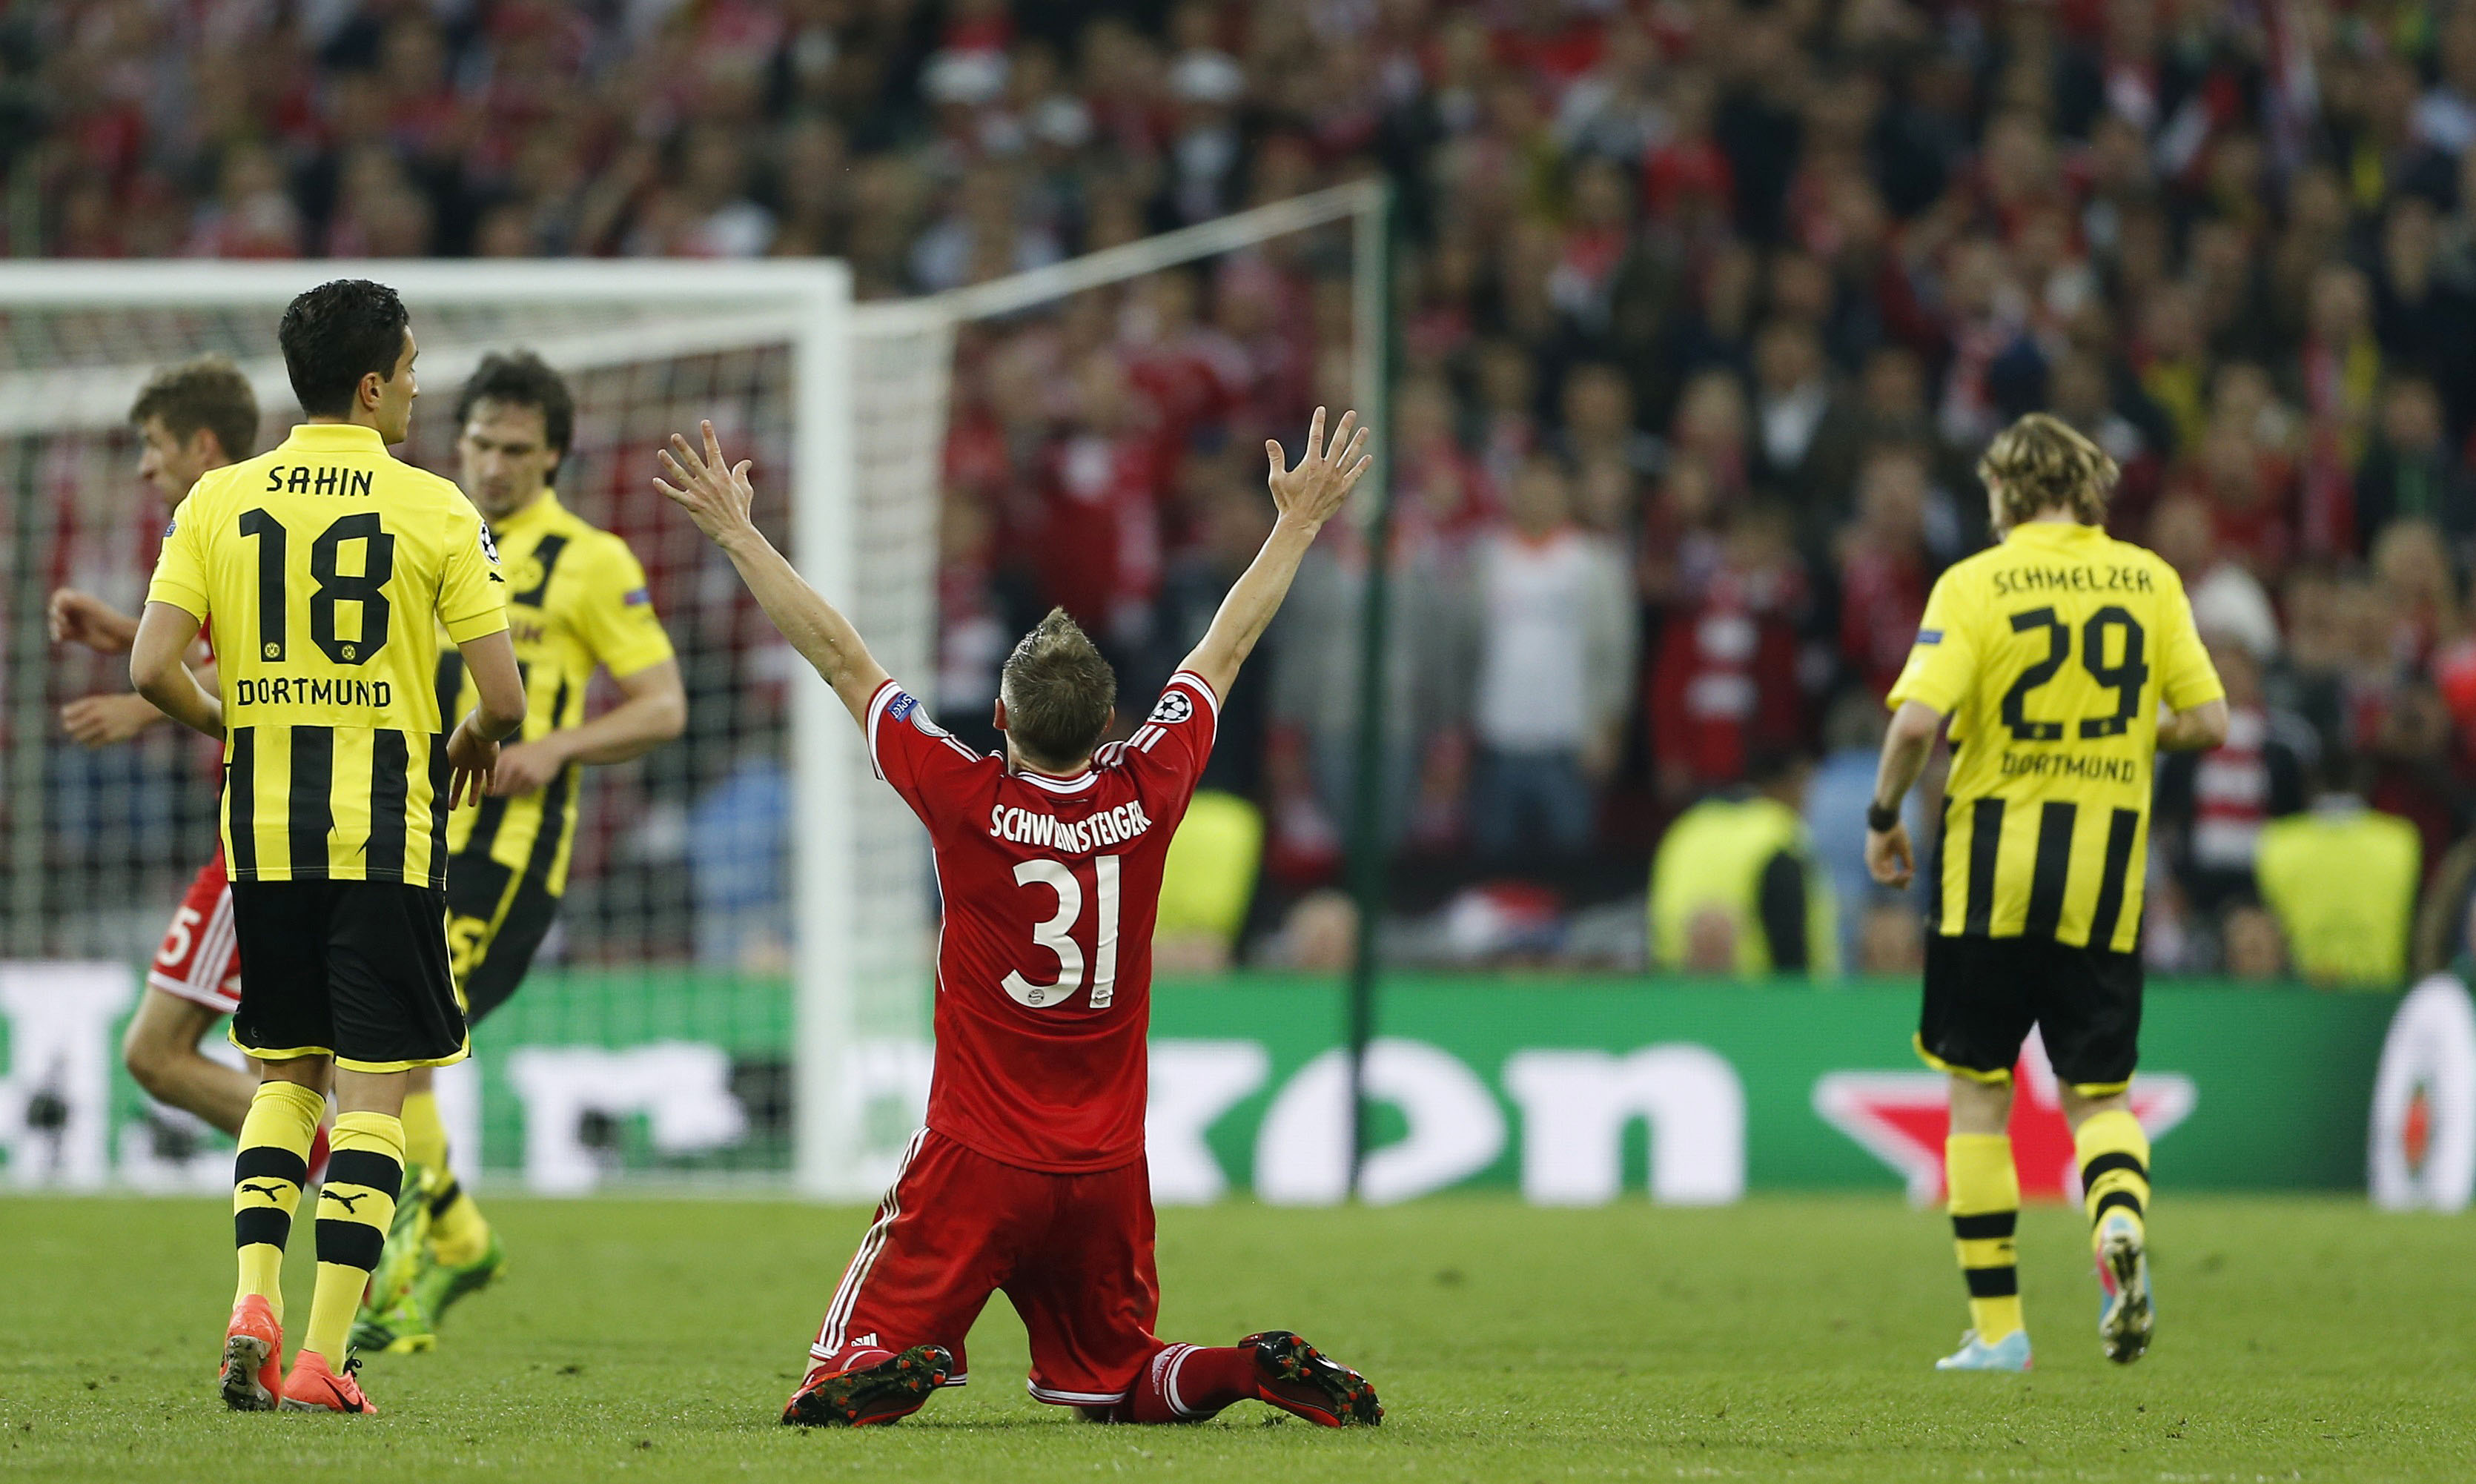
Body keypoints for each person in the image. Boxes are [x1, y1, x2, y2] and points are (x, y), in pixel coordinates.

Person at [654, 408, 1383, 1428]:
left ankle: (885, 1366)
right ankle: (1242, 1366)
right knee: (1124, 1378)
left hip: (976, 1155)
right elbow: (1225, 649)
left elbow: (842, 659)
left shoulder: (965, 796)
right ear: (1113, 721)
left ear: (997, 720)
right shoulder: (1153, 784)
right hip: (1105, 1168)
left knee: (837, 1366)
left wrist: (738, 532)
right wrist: (1299, 523)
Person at [130, 279, 526, 1415]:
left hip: (260, 837)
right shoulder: (439, 509)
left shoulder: (216, 498)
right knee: (370, 1097)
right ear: (369, 382)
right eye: (408, 365)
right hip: (383, 838)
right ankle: (321, 1359)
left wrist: (231, 720)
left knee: (281, 1072)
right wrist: (475, 730)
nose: (416, 382)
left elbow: (153, 668)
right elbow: (502, 696)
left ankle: (251, 1297)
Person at [1864, 413, 2228, 1373]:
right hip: (2104, 883)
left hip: (1989, 876)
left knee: (1978, 1097)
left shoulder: (1975, 581)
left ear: (2002, 493)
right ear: (2091, 487)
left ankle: (2000, 1333)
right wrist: (2112, 738)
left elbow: (1915, 727)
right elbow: (2210, 717)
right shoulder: (2151, 578)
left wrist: (1882, 815)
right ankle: (2115, 1220)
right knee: (2099, 1095)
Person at [352, 351, 686, 1356]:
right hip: (405, 829)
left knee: (395, 1043)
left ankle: (406, 1269)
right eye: (481, 443)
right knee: (390, 1053)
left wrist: (555, 744)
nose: (493, 464)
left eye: (517, 450)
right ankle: (455, 1237)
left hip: (509, 851)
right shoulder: (425, 533)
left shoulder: (592, 561)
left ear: (553, 459)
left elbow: (664, 706)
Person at [48, 358, 333, 1167]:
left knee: (157, 1051)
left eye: (154, 445)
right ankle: (372, 1249)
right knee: (277, 1069)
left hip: (264, 831)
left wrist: (144, 697)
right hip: (309, 819)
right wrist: (127, 633)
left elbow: (267, 662)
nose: (144, 465)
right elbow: (241, 645)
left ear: (202, 444)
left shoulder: (224, 518)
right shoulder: (263, 518)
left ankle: (369, 1167)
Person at [1646, 749, 1838, 978]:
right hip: (1760, 1001)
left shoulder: (1685, 829)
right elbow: (1791, 942)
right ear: (1784, 786)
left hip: (1680, 997)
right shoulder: (1779, 834)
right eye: (1804, 789)